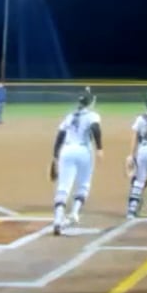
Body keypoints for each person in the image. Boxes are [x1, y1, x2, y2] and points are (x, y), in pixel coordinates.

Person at [50, 89, 103, 234]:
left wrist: (55, 156)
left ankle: (58, 219)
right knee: (84, 184)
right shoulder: (92, 115)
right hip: (84, 151)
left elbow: (60, 136)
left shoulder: (69, 116)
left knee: (63, 187)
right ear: (90, 103)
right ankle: (74, 212)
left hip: (66, 151)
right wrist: (99, 148)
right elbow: (95, 128)